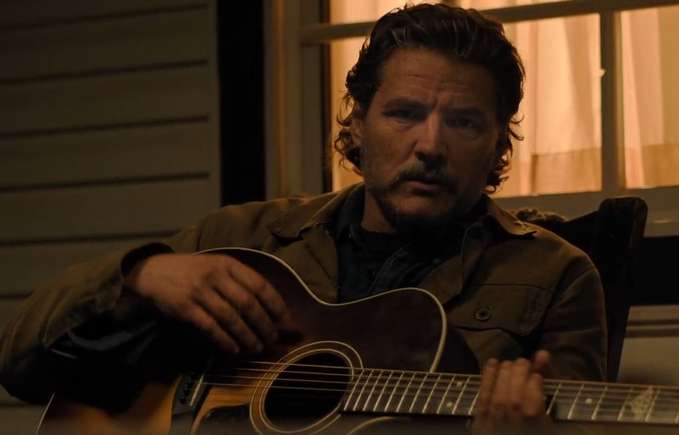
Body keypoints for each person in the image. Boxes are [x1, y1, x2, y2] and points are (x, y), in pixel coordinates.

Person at [0, 3, 605, 434]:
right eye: (403, 114)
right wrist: (142, 277)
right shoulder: (243, 238)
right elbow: (19, 362)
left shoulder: (555, 274)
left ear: (499, 143)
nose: (430, 145)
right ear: (358, 125)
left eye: (464, 122)